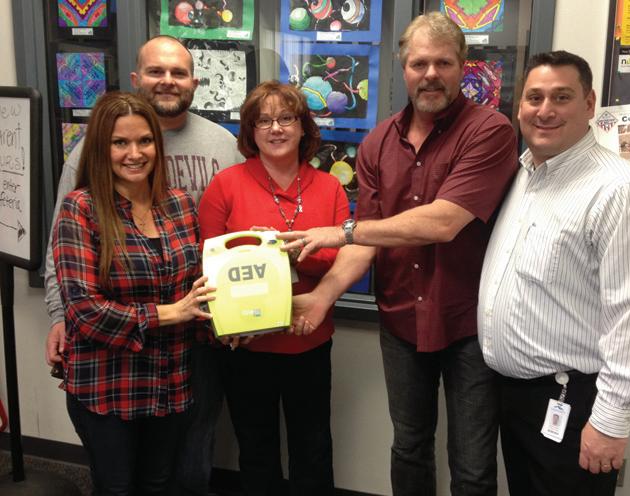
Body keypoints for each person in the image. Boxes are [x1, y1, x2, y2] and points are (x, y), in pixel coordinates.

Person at [279, 13, 518, 496]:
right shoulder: (378, 142)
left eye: (443, 63)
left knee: (472, 465)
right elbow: (368, 243)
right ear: (403, 67)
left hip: (469, 324)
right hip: (401, 320)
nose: (430, 74)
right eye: (419, 63)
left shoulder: (489, 131)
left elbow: (443, 222)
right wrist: (323, 296)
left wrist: (341, 231)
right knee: (408, 447)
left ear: (462, 66)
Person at [44, 35, 243, 495]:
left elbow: (203, 273)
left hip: (174, 369)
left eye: (145, 142)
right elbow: (81, 299)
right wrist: (58, 315)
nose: (134, 153)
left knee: (172, 474)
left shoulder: (184, 197)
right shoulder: (83, 205)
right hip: (110, 375)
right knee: (117, 485)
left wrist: (230, 320)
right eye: (120, 143)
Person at [477, 50, 630, 496]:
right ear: (519, 107)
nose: (545, 110)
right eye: (534, 98)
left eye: (561, 97)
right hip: (516, 398)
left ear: (589, 105)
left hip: (573, 400)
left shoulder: (621, 191)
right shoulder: (525, 174)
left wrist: (610, 421)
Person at [198, 80, 349, 495]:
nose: (276, 128)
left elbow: (341, 258)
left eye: (286, 118)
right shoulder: (226, 184)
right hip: (247, 344)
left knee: (313, 448)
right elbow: (208, 262)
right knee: (256, 449)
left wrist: (291, 253)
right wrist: (253, 258)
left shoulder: (330, 187)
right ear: (250, 131)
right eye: (263, 121)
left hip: (308, 337)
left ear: (303, 127)